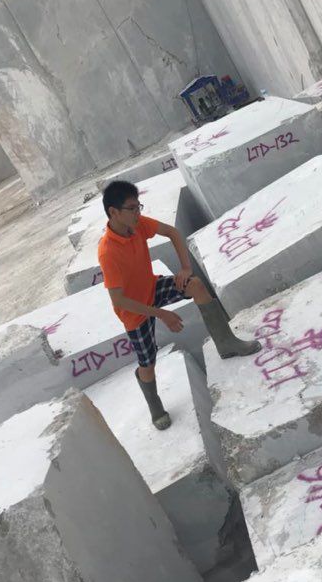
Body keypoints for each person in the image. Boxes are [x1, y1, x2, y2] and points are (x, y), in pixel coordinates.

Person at [97, 179, 259, 430]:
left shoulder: (137, 225)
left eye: (139, 206)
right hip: (134, 312)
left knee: (195, 285)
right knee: (148, 363)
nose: (138, 212)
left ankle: (226, 343)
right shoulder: (108, 251)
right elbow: (119, 300)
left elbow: (172, 232)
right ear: (114, 212)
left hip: (152, 288)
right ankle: (154, 404)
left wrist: (185, 267)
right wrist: (162, 314)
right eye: (132, 208)